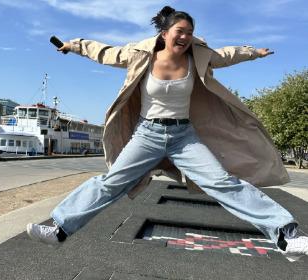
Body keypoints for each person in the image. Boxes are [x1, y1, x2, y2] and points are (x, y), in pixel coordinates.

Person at [27, 6, 308, 261]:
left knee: (223, 183)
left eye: (190, 32)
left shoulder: (198, 56)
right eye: (180, 31)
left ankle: (286, 234)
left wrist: (252, 52)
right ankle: (59, 229)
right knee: (110, 183)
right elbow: (104, 52)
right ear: (165, 33)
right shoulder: (140, 55)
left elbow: (225, 55)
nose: (185, 37)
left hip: (184, 136)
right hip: (147, 134)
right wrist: (73, 46)